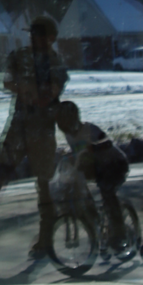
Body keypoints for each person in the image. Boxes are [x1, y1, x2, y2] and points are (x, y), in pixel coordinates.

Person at [0, 15, 69, 258]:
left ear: (50, 38)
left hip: (42, 131)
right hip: (18, 128)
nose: (33, 38)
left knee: (44, 186)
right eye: (32, 33)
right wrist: (21, 87)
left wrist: (38, 94)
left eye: (38, 33)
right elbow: (4, 81)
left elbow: (52, 92)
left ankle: (46, 240)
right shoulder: (19, 56)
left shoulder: (56, 63)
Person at [55, 101, 130, 253]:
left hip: (115, 164)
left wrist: (94, 147)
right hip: (98, 168)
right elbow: (78, 151)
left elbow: (107, 143)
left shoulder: (90, 129)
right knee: (76, 187)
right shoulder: (69, 134)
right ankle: (94, 219)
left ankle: (120, 234)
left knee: (107, 192)